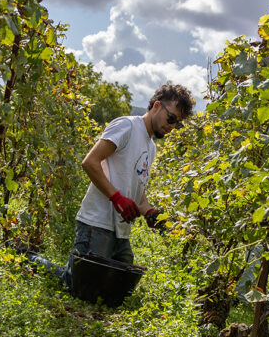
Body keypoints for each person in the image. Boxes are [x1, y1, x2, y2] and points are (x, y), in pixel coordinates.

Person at [22, 83, 194, 291]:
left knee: (120, 289)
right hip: (97, 224)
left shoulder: (151, 147)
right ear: (157, 106)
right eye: (172, 118)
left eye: (177, 123)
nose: (172, 126)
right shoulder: (127, 127)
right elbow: (90, 162)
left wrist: (150, 212)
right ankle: (23, 256)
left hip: (120, 232)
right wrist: (116, 198)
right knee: (75, 285)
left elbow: (138, 192)